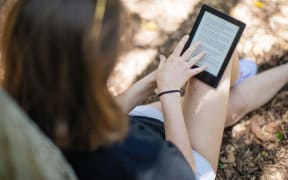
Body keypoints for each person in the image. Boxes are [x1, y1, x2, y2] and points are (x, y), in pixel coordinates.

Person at [2, 0, 288, 179]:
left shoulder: (14, 110)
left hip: (128, 125)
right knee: (220, 61)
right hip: (183, 165)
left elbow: (80, 122)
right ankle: (240, 74)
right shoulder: (135, 159)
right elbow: (183, 174)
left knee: (220, 99)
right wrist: (169, 95)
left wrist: (153, 81)